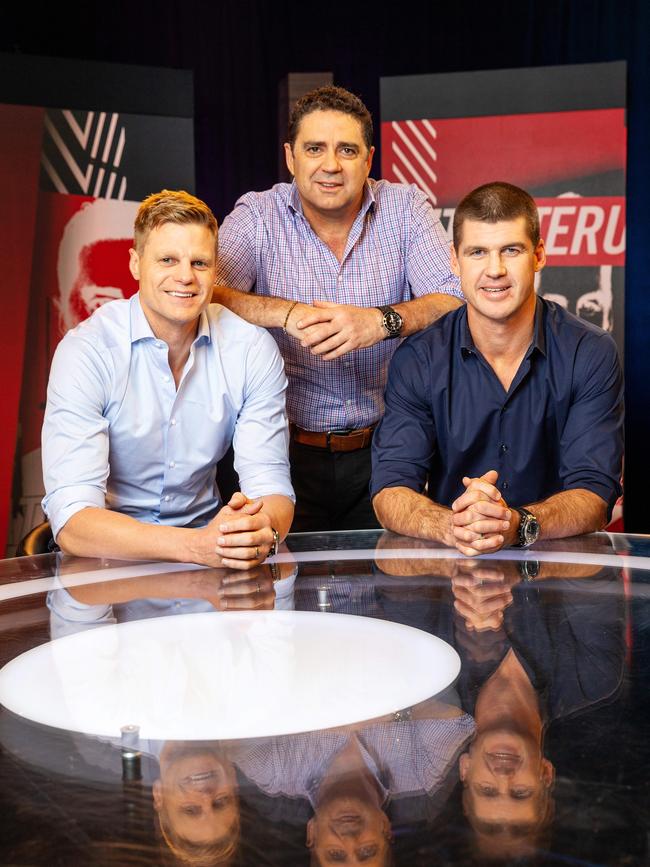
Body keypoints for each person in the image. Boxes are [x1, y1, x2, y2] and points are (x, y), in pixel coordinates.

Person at [214, 85, 463, 532]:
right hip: (276, 455)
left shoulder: (405, 209)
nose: (331, 165)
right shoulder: (257, 215)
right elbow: (207, 294)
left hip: (388, 454)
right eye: (315, 148)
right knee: (276, 591)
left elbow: (454, 301)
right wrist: (286, 313)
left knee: (392, 595)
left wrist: (380, 321)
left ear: (368, 159)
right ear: (291, 157)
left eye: (347, 150)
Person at [42, 189, 294, 569]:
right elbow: (73, 519)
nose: (185, 277)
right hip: (105, 562)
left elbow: (271, 483)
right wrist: (196, 546)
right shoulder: (87, 352)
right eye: (167, 259)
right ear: (136, 263)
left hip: (211, 558)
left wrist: (262, 528)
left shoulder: (251, 349)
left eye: (200, 263)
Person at [371, 181, 624, 556]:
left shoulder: (589, 352)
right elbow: (390, 489)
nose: (495, 269)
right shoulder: (419, 358)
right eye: (477, 252)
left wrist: (515, 525)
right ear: (454, 262)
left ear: (538, 256)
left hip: (561, 578)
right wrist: (452, 526)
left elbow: (595, 492)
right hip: (453, 576)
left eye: (511, 250)